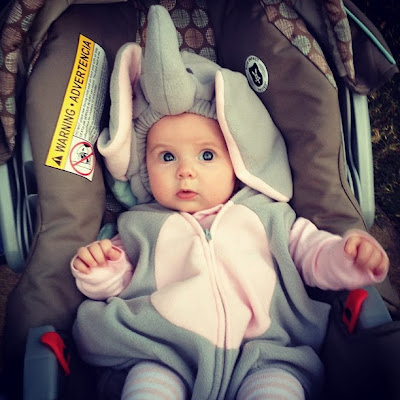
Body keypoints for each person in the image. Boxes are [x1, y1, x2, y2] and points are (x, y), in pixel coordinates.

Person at [70, 6, 389, 400]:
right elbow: (119, 283)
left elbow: (312, 255)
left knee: (278, 390)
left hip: (267, 353)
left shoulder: (269, 215)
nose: (185, 172)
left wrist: (345, 257)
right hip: (163, 351)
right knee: (147, 386)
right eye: (166, 157)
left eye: (206, 155)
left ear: (238, 160)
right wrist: (99, 269)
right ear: (143, 167)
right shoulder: (137, 226)